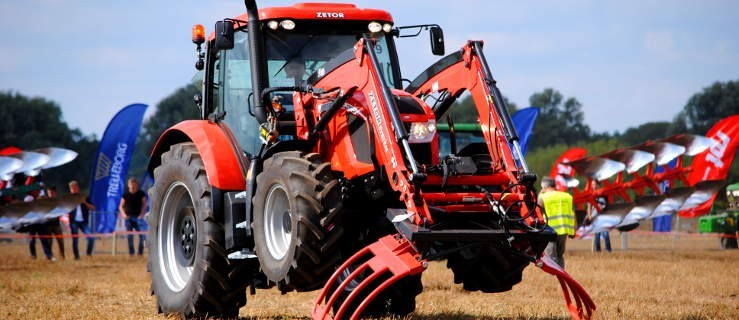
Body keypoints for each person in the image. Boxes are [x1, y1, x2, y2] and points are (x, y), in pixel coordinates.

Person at [538, 176, 576, 268]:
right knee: (559, 255)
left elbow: (537, 209)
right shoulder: (567, 196)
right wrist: (574, 230)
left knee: (550, 257)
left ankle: (552, 279)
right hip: (563, 230)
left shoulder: (543, 197)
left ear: (544, 187)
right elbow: (573, 214)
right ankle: (561, 275)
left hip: (550, 231)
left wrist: (540, 193)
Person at [67, 180, 95, 260]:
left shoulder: (84, 197)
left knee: (91, 237)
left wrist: (85, 202)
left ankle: (88, 254)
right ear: (70, 190)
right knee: (75, 240)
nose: (74, 190)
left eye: (75, 188)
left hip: (84, 222)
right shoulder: (68, 198)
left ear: (78, 188)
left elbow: (93, 208)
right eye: (72, 188)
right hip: (74, 222)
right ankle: (76, 257)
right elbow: (64, 209)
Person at [118, 178, 147, 256]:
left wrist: (141, 215)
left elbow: (144, 205)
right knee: (130, 236)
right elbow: (120, 206)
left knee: (142, 235)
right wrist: (124, 215)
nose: (133, 186)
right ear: (128, 185)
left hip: (138, 218)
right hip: (128, 218)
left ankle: (140, 253)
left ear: (137, 185)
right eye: (131, 184)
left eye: (134, 184)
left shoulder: (141, 194)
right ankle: (131, 253)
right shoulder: (125, 195)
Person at [44, 186, 66, 259]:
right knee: (49, 241)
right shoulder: (46, 201)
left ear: (55, 193)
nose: (50, 194)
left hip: (56, 224)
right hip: (48, 224)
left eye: (52, 193)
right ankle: (49, 256)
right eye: (49, 193)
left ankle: (62, 255)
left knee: (60, 241)